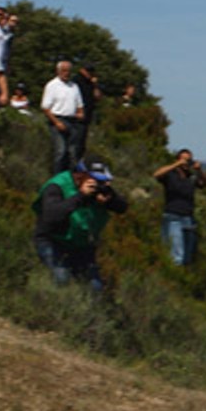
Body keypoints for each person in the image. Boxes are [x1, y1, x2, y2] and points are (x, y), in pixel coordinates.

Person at [32, 158, 127, 293]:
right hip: (53, 240)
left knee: (95, 288)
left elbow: (122, 207)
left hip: (82, 245)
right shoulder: (57, 186)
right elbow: (51, 215)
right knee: (62, 279)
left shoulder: (100, 189)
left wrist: (109, 199)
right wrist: (81, 196)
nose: (103, 183)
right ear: (80, 175)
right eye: (97, 180)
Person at [154, 148, 206, 266]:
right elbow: (157, 174)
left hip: (188, 217)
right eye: (183, 159)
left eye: (188, 160)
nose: (185, 163)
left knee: (188, 255)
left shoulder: (191, 177)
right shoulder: (170, 175)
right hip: (173, 215)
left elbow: (204, 184)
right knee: (177, 252)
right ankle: (174, 277)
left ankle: (184, 275)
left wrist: (199, 171)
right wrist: (176, 164)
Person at [41, 60, 86, 173]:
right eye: (64, 71)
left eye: (68, 71)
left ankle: (71, 176)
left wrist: (80, 113)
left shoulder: (74, 86)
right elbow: (45, 107)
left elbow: (80, 105)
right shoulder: (52, 85)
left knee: (73, 152)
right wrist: (56, 122)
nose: (66, 73)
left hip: (72, 121)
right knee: (61, 150)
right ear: (58, 71)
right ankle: (57, 177)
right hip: (58, 119)